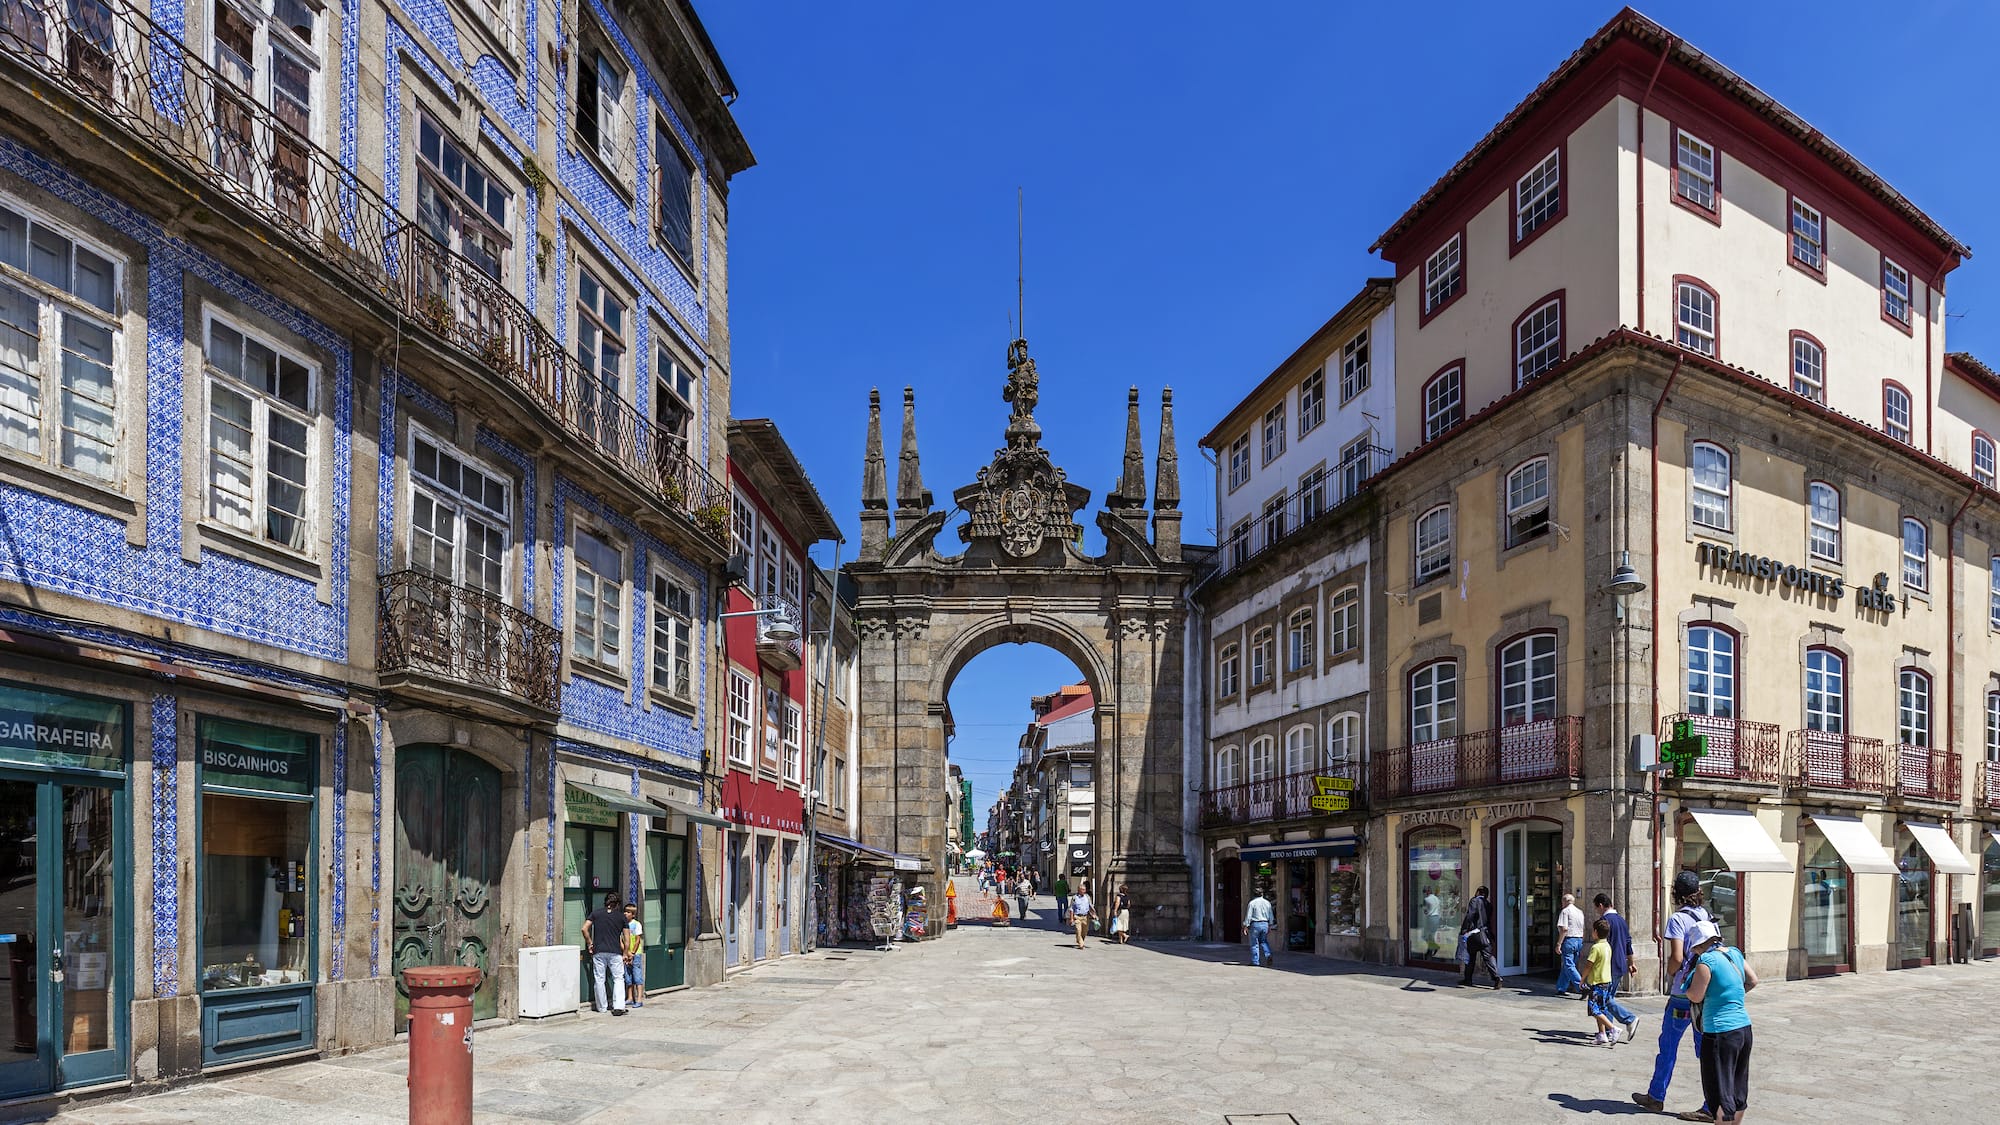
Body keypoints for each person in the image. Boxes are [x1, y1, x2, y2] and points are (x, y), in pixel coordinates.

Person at [1634, 871, 1716, 1116]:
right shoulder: (1709, 917)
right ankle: (1711, 1104)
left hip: (1682, 995)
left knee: (1668, 1046)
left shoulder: (1678, 919)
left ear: (1676, 893)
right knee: (1706, 1051)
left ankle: (1656, 1096)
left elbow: (1677, 957)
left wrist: (1671, 974)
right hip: (1705, 993)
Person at [1684, 919, 1757, 1125]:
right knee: (1737, 1091)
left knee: (1720, 1094)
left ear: (1699, 945)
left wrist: (1687, 989)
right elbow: (1753, 980)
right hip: (1743, 1028)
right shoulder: (1734, 953)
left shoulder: (1707, 961)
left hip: (1719, 1032)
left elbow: (1696, 996)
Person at [1592, 892, 1639, 1041]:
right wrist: (1631, 963)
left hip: (1608, 966)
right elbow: (1628, 943)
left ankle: (1629, 1019)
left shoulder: (1604, 921)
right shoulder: (1621, 920)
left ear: (1601, 905)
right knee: (1608, 998)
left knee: (1604, 999)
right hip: (1620, 964)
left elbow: (1601, 945)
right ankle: (1608, 1030)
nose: (1597, 911)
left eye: (1597, 908)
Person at [580, 892, 628, 1015]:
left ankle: (602, 1007)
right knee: (618, 978)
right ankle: (618, 1006)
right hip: (615, 952)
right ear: (617, 904)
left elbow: (584, 929)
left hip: (599, 951)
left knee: (599, 979)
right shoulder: (621, 917)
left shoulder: (596, 913)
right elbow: (627, 939)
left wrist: (590, 943)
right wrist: (626, 953)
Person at [1584, 918, 1617, 1048]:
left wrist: (1582, 978)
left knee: (1594, 1009)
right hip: (1606, 981)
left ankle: (1613, 1028)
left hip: (1597, 982)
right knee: (1600, 1008)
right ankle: (1602, 1034)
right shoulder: (1607, 945)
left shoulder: (1596, 947)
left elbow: (1589, 965)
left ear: (1596, 932)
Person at [1460, 885, 1501, 988]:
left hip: (1474, 934)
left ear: (1478, 892)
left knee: (1470, 957)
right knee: (1488, 957)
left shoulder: (1474, 901)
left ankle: (1468, 979)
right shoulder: (1489, 904)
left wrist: (1464, 930)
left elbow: (1469, 916)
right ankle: (1497, 978)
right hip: (1485, 934)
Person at [1555, 892, 1587, 997]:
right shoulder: (1580, 912)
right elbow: (1583, 928)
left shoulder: (1565, 911)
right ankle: (1561, 987)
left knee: (1569, 966)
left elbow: (1564, 929)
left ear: (1565, 901)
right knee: (1568, 965)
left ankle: (1582, 986)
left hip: (1569, 940)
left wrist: (1559, 943)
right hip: (1578, 940)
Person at [1244, 884, 1275, 967]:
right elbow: (1270, 915)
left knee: (1254, 943)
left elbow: (1249, 915)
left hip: (1255, 924)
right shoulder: (1267, 903)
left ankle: (1255, 961)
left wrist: (1246, 925)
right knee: (1264, 941)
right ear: (1262, 894)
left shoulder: (1252, 903)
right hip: (1265, 923)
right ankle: (1268, 955)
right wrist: (1270, 925)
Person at [621, 901, 645, 1009]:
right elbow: (620, 939)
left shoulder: (636, 924)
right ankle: (630, 997)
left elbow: (637, 940)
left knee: (637, 976)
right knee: (628, 976)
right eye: (625, 912)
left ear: (633, 914)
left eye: (628, 912)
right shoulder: (622, 924)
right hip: (626, 954)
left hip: (636, 954)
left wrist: (633, 952)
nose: (625, 914)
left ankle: (639, 998)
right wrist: (626, 952)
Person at [1069, 884, 1094, 949]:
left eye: (1084, 890)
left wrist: (1094, 915)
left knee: (1085, 932)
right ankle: (1081, 943)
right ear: (1079, 890)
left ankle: (1079, 940)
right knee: (1078, 930)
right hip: (1077, 917)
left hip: (1085, 917)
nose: (1084, 891)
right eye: (1082, 890)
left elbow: (1090, 906)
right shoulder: (1074, 897)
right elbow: (1071, 908)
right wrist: (1071, 918)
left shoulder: (1087, 897)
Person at [1421, 888, 1442, 958]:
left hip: (1430, 918)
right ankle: (1430, 950)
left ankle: (1432, 948)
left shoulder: (1426, 899)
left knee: (1426, 936)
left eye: (1425, 892)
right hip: (1437, 918)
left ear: (1427, 892)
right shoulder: (1437, 899)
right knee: (1431, 935)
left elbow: (1425, 911)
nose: (1424, 894)